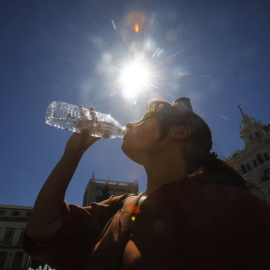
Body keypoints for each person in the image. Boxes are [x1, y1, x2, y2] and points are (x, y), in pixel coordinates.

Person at [23, 98, 270, 270]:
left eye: (145, 118)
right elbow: (42, 229)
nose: (129, 123)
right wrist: (71, 155)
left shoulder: (233, 211)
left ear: (179, 132)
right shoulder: (119, 208)